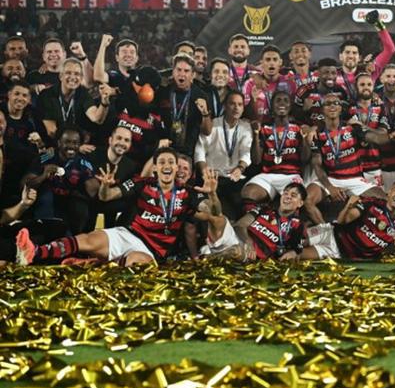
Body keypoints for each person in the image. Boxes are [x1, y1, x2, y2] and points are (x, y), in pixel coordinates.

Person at [16, 148, 215, 266]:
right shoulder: (142, 182)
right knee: (87, 239)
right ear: (155, 167)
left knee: (134, 264)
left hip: (152, 252)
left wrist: (211, 193)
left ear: (175, 168)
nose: (167, 165)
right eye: (161, 161)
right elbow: (106, 197)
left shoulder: (188, 193)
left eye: (171, 162)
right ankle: (34, 252)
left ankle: (94, 264)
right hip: (128, 234)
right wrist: (104, 186)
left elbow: (212, 212)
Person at [304, 93, 388, 225]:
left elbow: (376, 139)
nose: (332, 106)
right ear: (322, 110)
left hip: (354, 179)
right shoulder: (317, 134)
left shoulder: (353, 128)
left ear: (340, 108)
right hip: (332, 179)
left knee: (384, 199)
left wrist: (391, 135)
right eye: (327, 104)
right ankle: (328, 232)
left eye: (335, 103)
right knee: (307, 200)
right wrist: (330, 188)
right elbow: (317, 165)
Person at [302, 179, 395, 260]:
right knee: (297, 241)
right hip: (330, 233)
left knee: (297, 255)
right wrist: (348, 206)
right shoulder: (371, 203)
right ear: (389, 193)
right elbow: (343, 221)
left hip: (338, 253)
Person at [201, 182, 307, 261]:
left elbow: (297, 250)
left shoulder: (296, 225)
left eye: (293, 196)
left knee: (235, 251)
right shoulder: (263, 209)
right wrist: (248, 241)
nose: (287, 196)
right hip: (237, 238)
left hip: (251, 255)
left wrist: (292, 253)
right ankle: (212, 194)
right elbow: (240, 225)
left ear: (300, 203)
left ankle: (208, 258)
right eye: (286, 193)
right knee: (208, 207)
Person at [23, 125, 98, 234]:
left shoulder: (84, 164)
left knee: (80, 206)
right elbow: (25, 184)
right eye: (67, 142)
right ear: (59, 143)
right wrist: (43, 175)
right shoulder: (46, 157)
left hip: (69, 208)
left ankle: (73, 239)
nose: (71, 146)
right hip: (45, 206)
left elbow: (93, 193)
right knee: (46, 195)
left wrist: (91, 181)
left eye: (75, 142)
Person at [195, 89, 253, 220]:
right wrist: (204, 171)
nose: (236, 108)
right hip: (213, 178)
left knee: (242, 209)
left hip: (234, 178)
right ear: (225, 106)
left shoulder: (245, 127)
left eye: (240, 104)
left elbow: (246, 152)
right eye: (232, 104)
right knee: (216, 212)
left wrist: (240, 168)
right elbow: (200, 150)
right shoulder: (213, 124)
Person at [243, 90, 307, 208]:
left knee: (294, 198)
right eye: (278, 101)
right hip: (268, 175)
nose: (282, 103)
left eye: (285, 100)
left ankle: (291, 223)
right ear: (272, 106)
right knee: (248, 193)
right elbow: (256, 160)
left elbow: (304, 159)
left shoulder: (298, 128)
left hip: (291, 176)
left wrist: (305, 140)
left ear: (290, 106)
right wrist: (256, 135)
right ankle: (255, 221)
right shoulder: (264, 129)